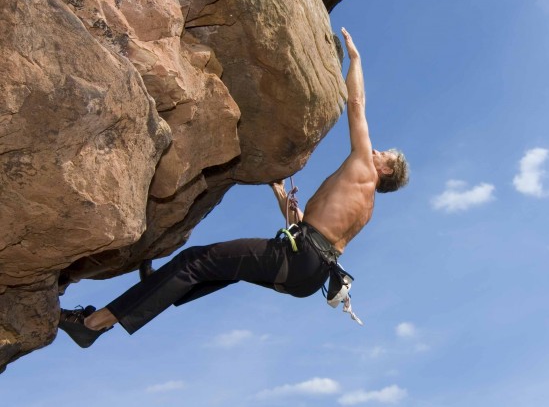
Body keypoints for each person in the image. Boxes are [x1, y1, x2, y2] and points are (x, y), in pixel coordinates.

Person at [58, 28, 410, 348]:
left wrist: (356, 59)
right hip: (310, 276)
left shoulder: (364, 165)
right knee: (224, 269)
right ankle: (162, 285)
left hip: (297, 259)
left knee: (196, 261)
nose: (376, 150)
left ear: (386, 169)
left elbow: (357, 105)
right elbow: (316, 233)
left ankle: (93, 324)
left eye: (384, 154)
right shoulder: (366, 208)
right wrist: (280, 198)